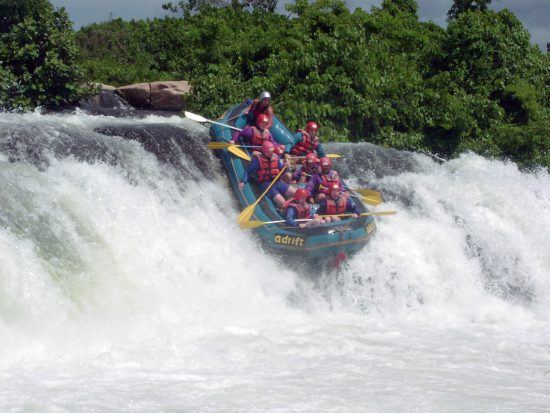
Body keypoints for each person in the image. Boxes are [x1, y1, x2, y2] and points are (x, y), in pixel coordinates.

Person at [238, 141, 296, 208]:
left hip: (277, 181)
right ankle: (284, 209)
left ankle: (295, 206)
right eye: (270, 151)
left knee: (295, 193)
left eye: (272, 151)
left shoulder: (276, 157)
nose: (272, 152)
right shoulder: (257, 160)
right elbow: (248, 171)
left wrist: (286, 167)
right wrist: (243, 181)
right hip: (266, 184)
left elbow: (281, 169)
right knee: (283, 202)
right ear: (265, 152)